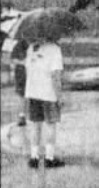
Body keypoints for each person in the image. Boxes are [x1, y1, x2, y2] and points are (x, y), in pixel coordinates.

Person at [24, 38, 65, 168]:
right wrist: (59, 97)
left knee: (35, 125)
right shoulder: (55, 49)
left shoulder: (32, 47)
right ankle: (49, 157)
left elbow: (27, 69)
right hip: (49, 93)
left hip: (32, 91)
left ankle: (34, 157)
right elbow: (56, 75)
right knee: (50, 125)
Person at [10, 39, 29, 127]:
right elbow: (13, 59)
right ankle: (22, 116)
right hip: (21, 74)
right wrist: (23, 62)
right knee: (22, 96)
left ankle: (33, 117)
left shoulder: (38, 45)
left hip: (34, 74)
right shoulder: (19, 45)